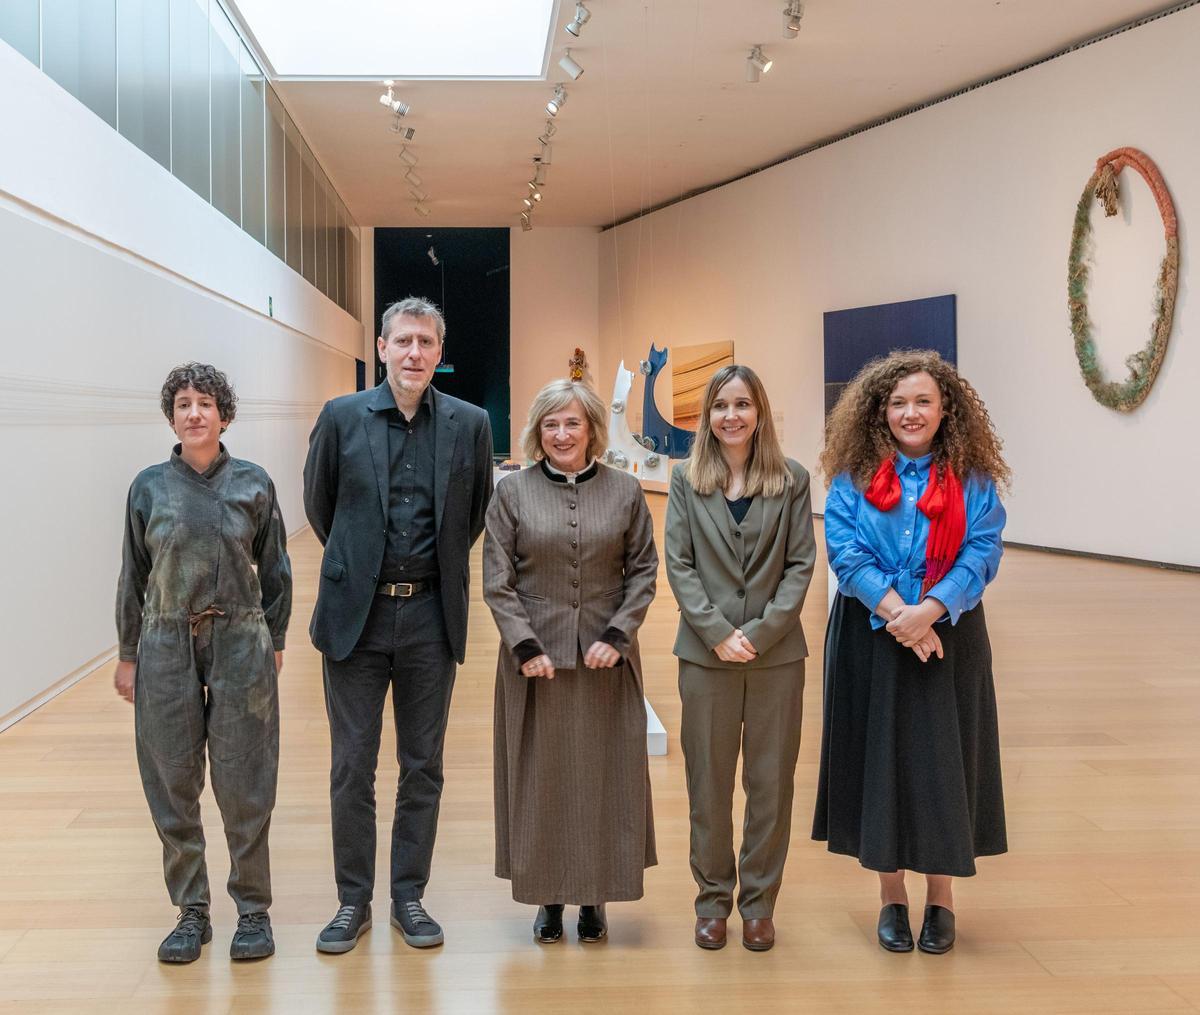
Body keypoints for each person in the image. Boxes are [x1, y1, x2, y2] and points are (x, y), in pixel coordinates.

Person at [303, 296, 493, 953]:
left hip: (431, 618)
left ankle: (408, 895)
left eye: (426, 342)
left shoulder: (471, 424)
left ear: (440, 353)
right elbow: (321, 505)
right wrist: (359, 570)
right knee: (352, 765)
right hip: (355, 617)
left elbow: (473, 513)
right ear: (381, 347)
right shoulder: (340, 417)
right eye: (403, 340)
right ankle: (352, 900)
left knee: (423, 765)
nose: (415, 352)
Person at [812, 349, 1010, 955]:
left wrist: (932, 610)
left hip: (951, 635)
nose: (911, 412)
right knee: (880, 763)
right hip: (871, 634)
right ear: (880, 411)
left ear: (946, 408)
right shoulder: (852, 478)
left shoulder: (974, 481)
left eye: (923, 400)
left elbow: (982, 551)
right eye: (898, 402)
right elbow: (845, 551)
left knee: (943, 764)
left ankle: (941, 898)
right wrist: (902, 612)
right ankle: (891, 894)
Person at [115, 363, 291, 963]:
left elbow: (276, 570)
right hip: (164, 641)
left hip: (241, 639)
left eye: (206, 403)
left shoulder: (253, 483)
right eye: (184, 404)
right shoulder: (148, 488)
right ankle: (191, 909)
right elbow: (133, 577)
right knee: (171, 774)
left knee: (246, 777)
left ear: (224, 415)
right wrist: (128, 653)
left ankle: (253, 909)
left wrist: (275, 638)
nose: (194, 413)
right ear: (172, 417)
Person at [483, 379, 658, 944]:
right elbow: (497, 580)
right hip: (534, 665)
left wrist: (618, 634)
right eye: (551, 424)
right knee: (542, 781)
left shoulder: (626, 491)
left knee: (605, 779)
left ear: (591, 430)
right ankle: (548, 897)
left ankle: (595, 898)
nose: (562, 434)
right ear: (538, 431)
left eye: (572, 423)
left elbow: (644, 571)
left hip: (608, 662)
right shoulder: (512, 493)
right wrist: (525, 645)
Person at [664, 364, 815, 953]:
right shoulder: (686, 479)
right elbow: (679, 563)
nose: (732, 416)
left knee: (771, 783)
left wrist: (761, 632)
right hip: (707, 658)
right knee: (708, 783)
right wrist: (717, 633)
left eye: (743, 405)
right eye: (721, 405)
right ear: (707, 415)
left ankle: (758, 903)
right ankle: (712, 901)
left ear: (760, 413)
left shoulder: (792, 479)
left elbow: (801, 564)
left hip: (776, 658)